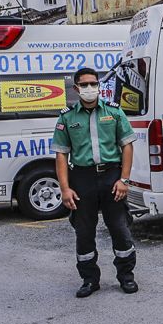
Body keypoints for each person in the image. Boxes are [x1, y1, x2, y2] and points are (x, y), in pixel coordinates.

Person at [52, 67, 139, 298]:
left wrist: (124, 179)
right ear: (76, 88)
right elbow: (61, 154)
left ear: (99, 86)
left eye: (93, 84)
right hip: (82, 178)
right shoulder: (67, 117)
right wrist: (65, 189)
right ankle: (89, 280)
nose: (90, 88)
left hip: (112, 177)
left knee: (120, 229)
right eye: (85, 85)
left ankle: (126, 277)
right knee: (84, 232)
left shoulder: (114, 112)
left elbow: (127, 146)